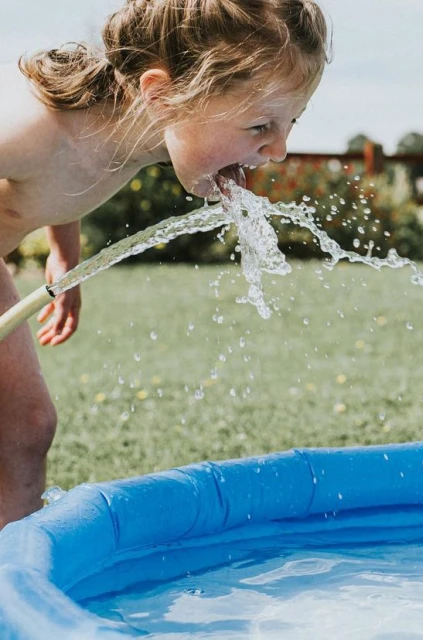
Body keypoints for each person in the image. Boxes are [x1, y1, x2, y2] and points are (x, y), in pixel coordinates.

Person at [0, 0, 330, 528]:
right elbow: (51, 160)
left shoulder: (129, 134)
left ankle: (11, 588)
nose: (279, 149)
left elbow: (58, 186)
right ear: (162, 95)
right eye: (260, 124)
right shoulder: (33, 128)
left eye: (291, 122)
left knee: (26, 428)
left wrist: (65, 254)